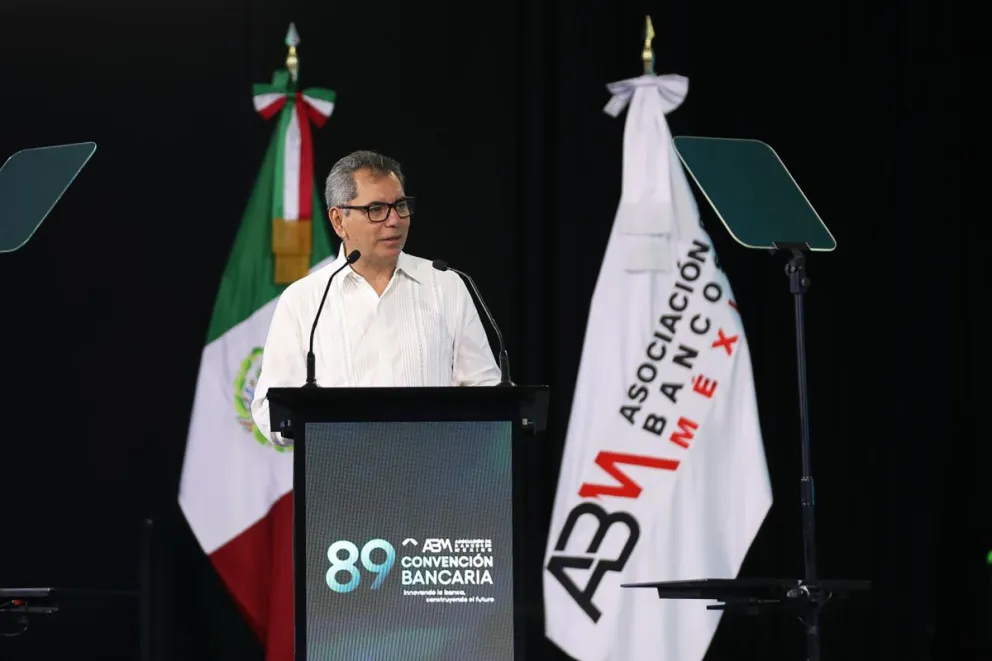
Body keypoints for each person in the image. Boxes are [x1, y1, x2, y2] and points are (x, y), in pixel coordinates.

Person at [250, 150, 501, 444]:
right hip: (342, 467)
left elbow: (487, 390)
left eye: (400, 206)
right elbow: (269, 412)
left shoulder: (446, 285)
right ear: (339, 220)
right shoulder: (304, 300)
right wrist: (328, 426)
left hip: (434, 466)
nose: (394, 220)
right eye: (376, 209)